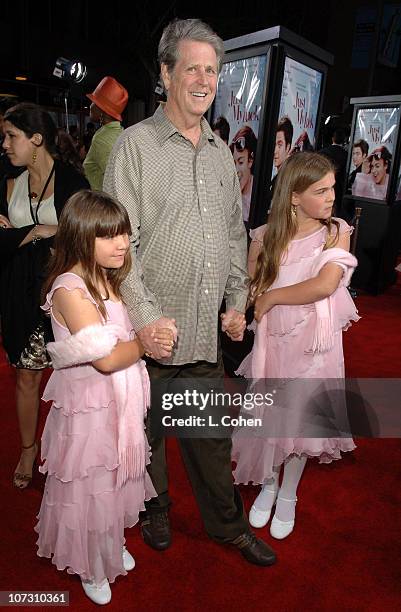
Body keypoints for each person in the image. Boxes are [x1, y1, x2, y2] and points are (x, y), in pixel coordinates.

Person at [104, 17, 276, 566]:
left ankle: (225, 527)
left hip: (204, 331)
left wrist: (235, 299)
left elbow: (231, 234)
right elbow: (117, 247)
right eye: (193, 68)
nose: (204, 79)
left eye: (213, 69)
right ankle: (155, 508)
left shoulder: (224, 152)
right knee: (147, 437)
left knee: (209, 440)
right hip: (148, 332)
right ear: (166, 73)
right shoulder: (134, 149)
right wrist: (149, 319)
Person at [35, 190, 173, 604]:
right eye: (109, 236)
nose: (122, 244)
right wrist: (145, 344)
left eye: (125, 234)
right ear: (82, 236)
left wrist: (149, 336)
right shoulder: (69, 288)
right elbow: (108, 359)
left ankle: (109, 541)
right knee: (89, 485)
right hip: (88, 408)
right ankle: (90, 562)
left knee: (116, 478)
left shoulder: (105, 278)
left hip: (120, 405)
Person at [232, 152, 359, 540]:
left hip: (315, 348)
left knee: (304, 420)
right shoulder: (264, 237)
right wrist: (251, 303)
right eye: (320, 191)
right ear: (294, 196)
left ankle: (289, 494)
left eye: (333, 188)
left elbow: (325, 284)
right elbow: (251, 289)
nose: (331, 197)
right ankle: (269, 484)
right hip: (275, 343)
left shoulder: (337, 231)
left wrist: (270, 298)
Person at [0, 102, 89, 490]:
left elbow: (82, 235)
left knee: (74, 378)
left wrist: (25, 232)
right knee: (25, 375)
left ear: (36, 140)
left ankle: (74, 451)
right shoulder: (7, 179)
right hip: (19, 290)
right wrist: (41, 231)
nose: (4, 144)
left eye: (11, 136)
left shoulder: (72, 180)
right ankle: (27, 448)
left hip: (64, 292)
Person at [83, 76, 128, 190]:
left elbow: (116, 180)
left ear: (102, 110)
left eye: (93, 102)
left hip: (101, 202)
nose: (90, 106)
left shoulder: (102, 138)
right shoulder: (121, 133)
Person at [230, 125, 257, 226]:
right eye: (234, 163)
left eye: (241, 162)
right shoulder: (231, 192)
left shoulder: (257, 196)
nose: (236, 170)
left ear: (250, 161)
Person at [319, 127, 348, 217]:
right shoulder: (347, 155)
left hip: (322, 186)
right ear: (344, 140)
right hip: (340, 189)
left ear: (332, 138)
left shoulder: (322, 152)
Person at [270, 116, 293, 200]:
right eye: (274, 144)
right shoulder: (277, 179)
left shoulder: (287, 180)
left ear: (288, 147)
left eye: (280, 145)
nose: (275, 151)